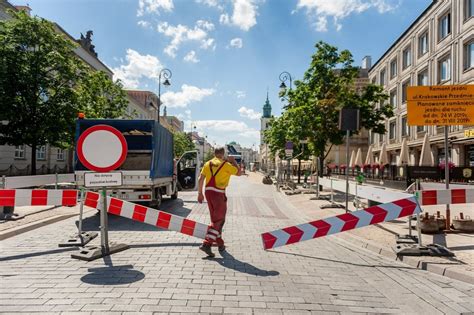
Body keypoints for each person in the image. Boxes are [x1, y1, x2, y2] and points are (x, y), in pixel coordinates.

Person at [197, 147, 241, 257]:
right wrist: (234, 161)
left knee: (215, 219)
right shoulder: (226, 165)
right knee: (219, 220)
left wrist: (200, 193)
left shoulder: (208, 163)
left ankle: (220, 244)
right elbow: (239, 173)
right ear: (223, 154)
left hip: (208, 192)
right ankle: (207, 244)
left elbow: (200, 179)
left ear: (214, 153)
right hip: (218, 193)